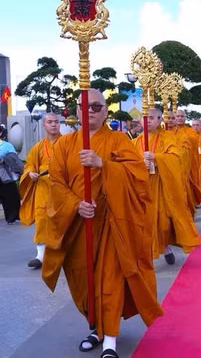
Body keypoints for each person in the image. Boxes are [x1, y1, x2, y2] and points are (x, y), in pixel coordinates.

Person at [42, 89, 163, 357]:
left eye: (96, 107)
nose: (90, 112)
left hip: (112, 222)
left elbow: (137, 178)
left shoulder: (119, 141)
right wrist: (76, 205)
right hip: (79, 225)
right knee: (83, 280)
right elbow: (57, 183)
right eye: (84, 107)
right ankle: (95, 328)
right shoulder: (64, 145)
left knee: (109, 279)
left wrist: (103, 164)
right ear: (76, 112)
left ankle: (110, 339)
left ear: (106, 111)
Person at [135, 108, 201, 264]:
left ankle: (165, 247)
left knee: (163, 222)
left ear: (159, 120)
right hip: (142, 186)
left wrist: (156, 158)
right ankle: (151, 252)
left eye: (152, 118)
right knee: (144, 221)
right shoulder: (136, 141)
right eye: (145, 118)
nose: (148, 121)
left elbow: (176, 158)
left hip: (162, 184)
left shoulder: (167, 138)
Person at [19, 113, 61, 269]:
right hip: (43, 187)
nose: (54, 125)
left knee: (61, 219)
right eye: (50, 122)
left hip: (61, 188)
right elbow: (29, 165)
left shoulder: (67, 143)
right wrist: (30, 173)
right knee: (42, 219)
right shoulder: (38, 147)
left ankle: (61, 252)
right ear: (44, 125)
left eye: (56, 122)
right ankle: (41, 255)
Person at [172, 110, 201, 216]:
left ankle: (189, 208)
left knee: (189, 186)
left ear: (185, 118)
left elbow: (196, 145)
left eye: (182, 116)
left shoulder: (191, 132)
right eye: (177, 116)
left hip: (191, 162)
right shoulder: (168, 132)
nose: (179, 118)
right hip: (175, 164)